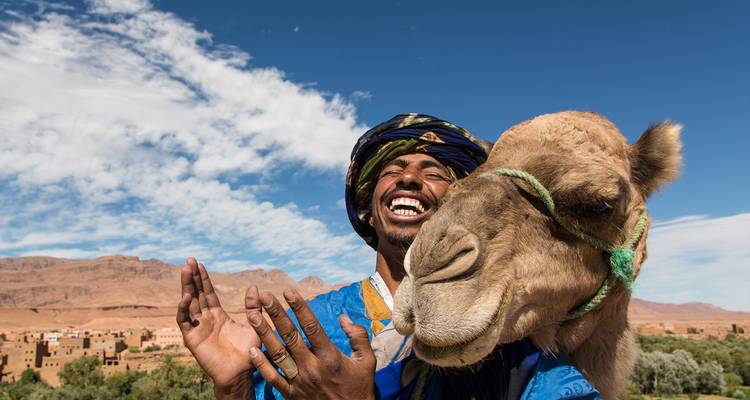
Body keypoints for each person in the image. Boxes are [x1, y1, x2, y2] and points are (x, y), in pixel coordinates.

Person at [177, 114, 602, 399]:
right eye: (392, 170)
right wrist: (234, 388)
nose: (410, 179)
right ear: (368, 208)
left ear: (460, 203)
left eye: (433, 172)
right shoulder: (313, 324)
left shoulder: (508, 339)